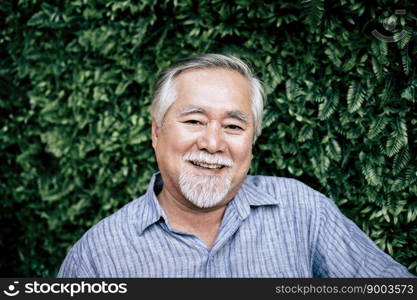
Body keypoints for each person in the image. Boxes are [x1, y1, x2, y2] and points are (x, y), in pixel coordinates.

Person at [58, 53, 414, 278]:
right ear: (156, 132)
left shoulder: (303, 212)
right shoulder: (97, 256)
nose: (213, 143)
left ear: (252, 140)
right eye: (195, 121)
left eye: (233, 126)